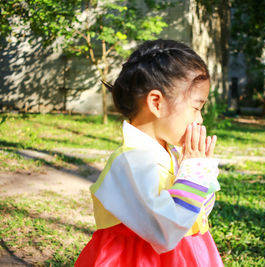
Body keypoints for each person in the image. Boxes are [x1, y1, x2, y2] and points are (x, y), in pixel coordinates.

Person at [75, 39, 223, 266]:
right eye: (196, 108)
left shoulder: (172, 152)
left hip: (187, 254)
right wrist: (193, 173)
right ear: (156, 103)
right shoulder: (131, 162)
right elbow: (164, 232)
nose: (200, 119)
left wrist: (200, 172)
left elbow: (196, 214)